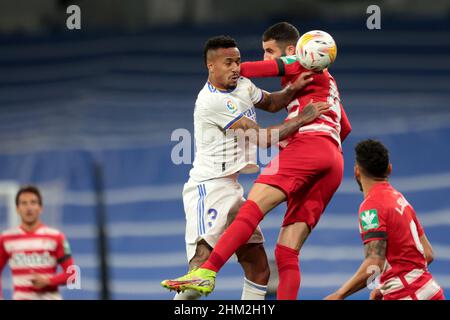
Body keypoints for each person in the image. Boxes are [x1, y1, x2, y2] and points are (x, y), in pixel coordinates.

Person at [161, 24, 350, 300]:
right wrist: (303, 120)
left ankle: (209, 272)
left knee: (258, 261)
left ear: (291, 52)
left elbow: (271, 100)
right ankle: (203, 275)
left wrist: (290, 90)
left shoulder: (262, 76)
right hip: (210, 187)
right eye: (229, 63)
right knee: (271, 256)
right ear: (210, 66)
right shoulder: (210, 101)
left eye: (267, 52)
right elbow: (262, 139)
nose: (239, 67)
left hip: (297, 154)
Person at [325, 139, 445, 300]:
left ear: (356, 171)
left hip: (406, 295)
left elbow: (375, 261)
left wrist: (339, 294)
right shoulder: (400, 199)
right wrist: (384, 287)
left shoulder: (371, 207)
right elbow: (428, 253)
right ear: (389, 169)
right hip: (430, 290)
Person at [0, 185, 76, 300]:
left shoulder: (56, 237)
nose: (28, 207)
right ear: (17, 208)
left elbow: (73, 275)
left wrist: (48, 281)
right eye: (24, 203)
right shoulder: (6, 238)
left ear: (40, 208)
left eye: (33, 202)